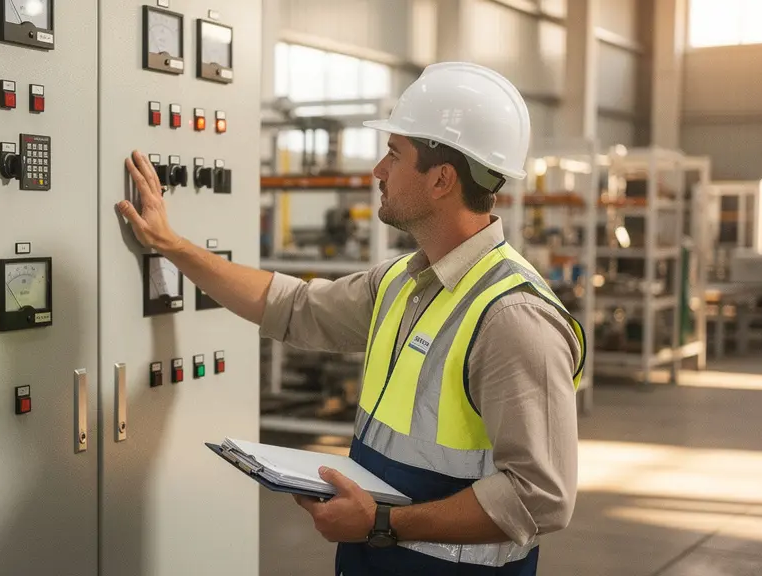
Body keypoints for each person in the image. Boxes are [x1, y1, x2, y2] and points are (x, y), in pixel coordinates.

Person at [117, 61, 584, 575]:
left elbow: (539, 498)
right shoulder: (402, 283)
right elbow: (292, 307)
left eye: (394, 154)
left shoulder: (512, 319)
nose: (378, 171)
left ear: (442, 180)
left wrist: (382, 522)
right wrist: (171, 245)